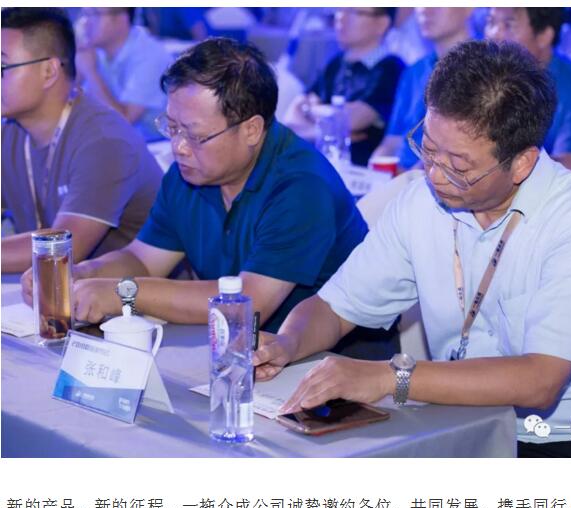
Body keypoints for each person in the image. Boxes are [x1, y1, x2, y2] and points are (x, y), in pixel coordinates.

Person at [254, 40, 571, 458]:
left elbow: (540, 381)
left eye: (459, 167)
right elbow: (334, 309)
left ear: (522, 163)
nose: (435, 175)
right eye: (427, 149)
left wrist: (389, 378)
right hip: (455, 422)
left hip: (567, 442)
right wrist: (288, 343)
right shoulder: (420, 203)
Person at [22, 38, 378, 342]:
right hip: (229, 347)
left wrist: (123, 293)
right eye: (172, 127)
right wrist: (84, 273)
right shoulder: (191, 173)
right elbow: (144, 260)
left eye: (195, 135)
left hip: (326, 362)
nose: (178, 147)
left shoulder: (301, 187)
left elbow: (248, 304)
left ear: (252, 130)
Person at [1, 7, 161, 274]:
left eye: (2, 68)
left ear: (49, 71)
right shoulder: (10, 132)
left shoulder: (104, 141)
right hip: (48, 289)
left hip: (128, 297)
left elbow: (63, 248)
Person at [485, 7, 571, 199]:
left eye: (508, 24)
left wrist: (487, 169)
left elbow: (568, 168)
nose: (494, 34)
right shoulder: (494, 81)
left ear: (544, 35)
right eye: (491, 22)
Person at [284, 8, 404, 166]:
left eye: (355, 12)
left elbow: (353, 120)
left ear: (382, 23)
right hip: (320, 164)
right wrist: (323, 132)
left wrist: (311, 110)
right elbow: (291, 117)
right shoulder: (336, 63)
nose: (341, 17)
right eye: (340, 10)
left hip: (361, 171)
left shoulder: (389, 68)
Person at [372, 8, 473, 169]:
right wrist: (373, 172)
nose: (426, 10)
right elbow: (392, 140)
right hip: (402, 175)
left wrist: (408, 179)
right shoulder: (414, 72)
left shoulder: (483, 71)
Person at [75, 7, 172, 140]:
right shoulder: (95, 51)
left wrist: (91, 73)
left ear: (121, 18)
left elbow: (124, 122)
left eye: (95, 14)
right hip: (115, 142)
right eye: (85, 14)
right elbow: (70, 104)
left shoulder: (149, 55)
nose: (85, 22)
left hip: (156, 144)